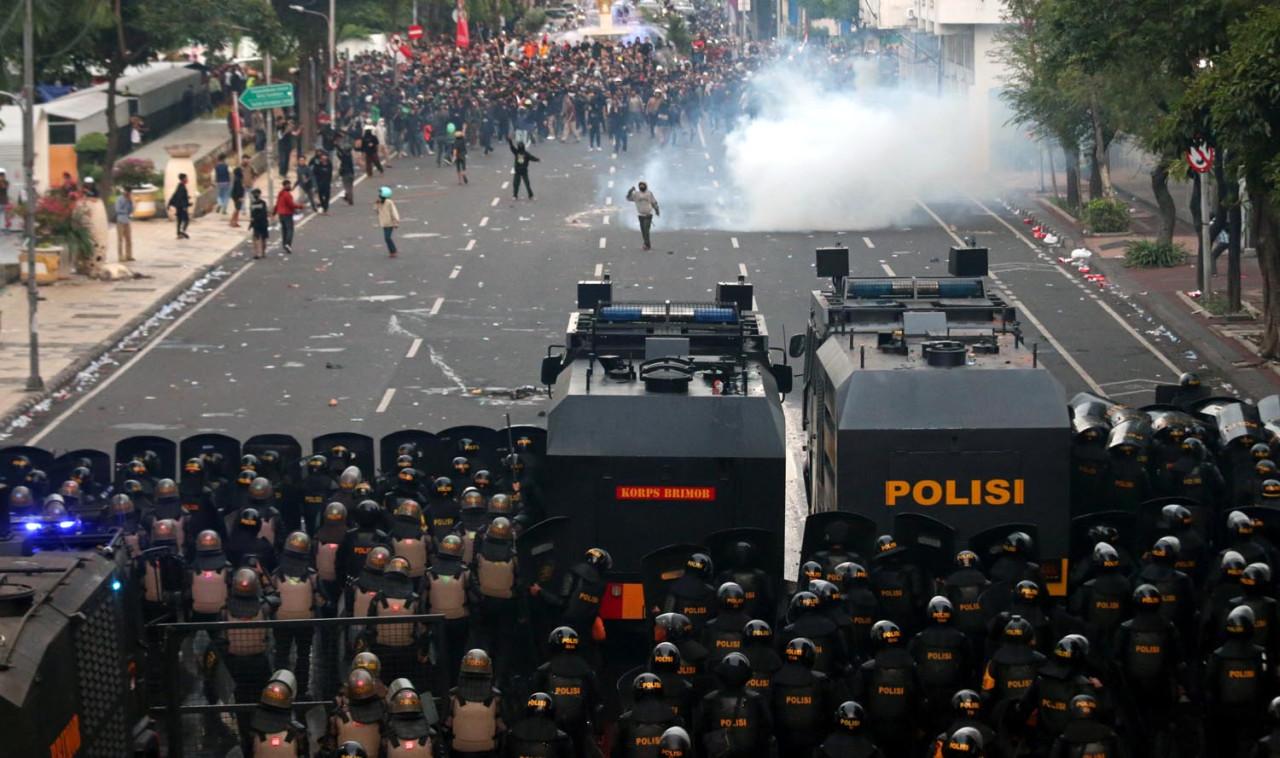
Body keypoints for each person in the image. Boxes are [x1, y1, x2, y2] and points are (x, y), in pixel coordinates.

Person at [626, 182, 659, 250]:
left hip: (648, 214)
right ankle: (647, 243)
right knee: (643, 230)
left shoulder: (649, 193)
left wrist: (656, 210)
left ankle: (646, 244)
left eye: (643, 185)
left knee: (646, 230)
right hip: (640, 215)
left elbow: (654, 202)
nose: (642, 186)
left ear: (645, 186)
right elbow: (628, 198)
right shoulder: (636, 194)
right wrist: (631, 190)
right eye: (640, 185)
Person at [273, 179, 299, 254]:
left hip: (281, 214)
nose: (290, 186)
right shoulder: (287, 195)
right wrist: (300, 206)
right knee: (290, 229)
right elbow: (291, 205)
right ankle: (288, 243)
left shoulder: (280, 194)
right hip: (287, 214)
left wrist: (274, 213)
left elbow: (277, 204)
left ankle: (284, 244)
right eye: (288, 185)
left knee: (284, 229)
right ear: (285, 186)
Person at [377, 186, 400, 258]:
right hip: (384, 223)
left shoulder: (389, 202)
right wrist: (376, 204)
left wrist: (396, 221)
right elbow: (376, 211)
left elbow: (394, 212)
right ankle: (392, 251)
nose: (379, 194)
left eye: (380, 193)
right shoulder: (380, 202)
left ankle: (393, 251)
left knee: (387, 238)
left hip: (390, 223)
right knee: (387, 238)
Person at [309, 149, 332, 215]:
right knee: (321, 196)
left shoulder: (329, 164)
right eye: (323, 156)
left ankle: (326, 209)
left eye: (325, 156)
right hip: (319, 183)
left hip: (327, 183)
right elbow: (314, 173)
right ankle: (321, 206)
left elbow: (330, 173)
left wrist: (329, 181)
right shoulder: (318, 164)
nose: (324, 157)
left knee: (327, 197)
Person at [168, 173, 191, 239]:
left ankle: (179, 233)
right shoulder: (182, 187)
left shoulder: (180, 186)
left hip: (179, 206)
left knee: (180, 220)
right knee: (186, 219)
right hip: (181, 207)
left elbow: (176, 196)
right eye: (186, 178)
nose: (187, 180)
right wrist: (184, 206)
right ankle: (182, 232)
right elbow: (180, 198)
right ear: (183, 179)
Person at [114, 187, 135, 262]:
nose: (128, 194)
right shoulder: (119, 199)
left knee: (128, 239)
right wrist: (126, 210)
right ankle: (120, 256)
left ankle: (128, 255)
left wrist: (130, 202)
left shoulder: (130, 199)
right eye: (127, 192)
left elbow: (132, 210)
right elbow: (117, 210)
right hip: (120, 220)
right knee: (120, 239)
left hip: (127, 220)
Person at [249, 188, 270, 259]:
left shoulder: (257, 203)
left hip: (259, 223)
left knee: (259, 238)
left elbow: (258, 214)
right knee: (259, 238)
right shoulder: (262, 203)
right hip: (261, 223)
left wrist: (253, 221)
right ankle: (260, 253)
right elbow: (253, 215)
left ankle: (259, 253)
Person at [336, 137, 356, 205]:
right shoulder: (349, 156)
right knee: (350, 187)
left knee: (347, 187)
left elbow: (341, 154)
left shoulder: (345, 156)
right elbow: (340, 155)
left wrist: (337, 146)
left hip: (345, 173)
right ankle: (349, 198)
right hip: (351, 173)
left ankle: (349, 198)